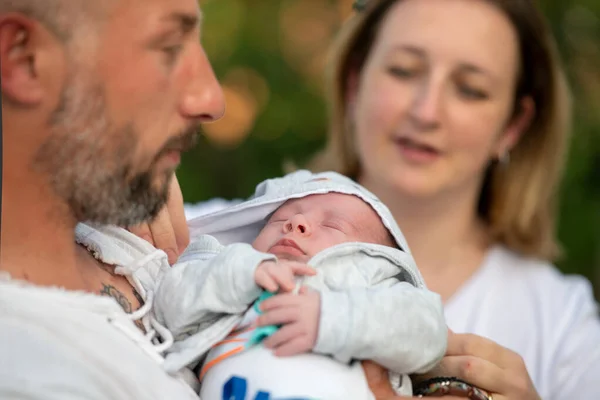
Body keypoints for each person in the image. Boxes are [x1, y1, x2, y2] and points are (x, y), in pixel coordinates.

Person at [144, 0, 600, 398]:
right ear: (354, 82)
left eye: (470, 89)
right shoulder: (184, 239)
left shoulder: (563, 327)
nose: (426, 111)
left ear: (513, 126)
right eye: (403, 70)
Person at [0, 0, 225, 398]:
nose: (210, 100)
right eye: (170, 47)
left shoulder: (121, 234)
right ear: (25, 59)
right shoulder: (28, 373)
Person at [153, 171, 447, 399]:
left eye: (333, 225)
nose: (296, 223)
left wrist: (335, 317)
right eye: (280, 218)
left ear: (376, 257)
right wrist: (236, 272)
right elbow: (170, 304)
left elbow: (428, 329)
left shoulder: (376, 284)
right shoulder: (227, 271)